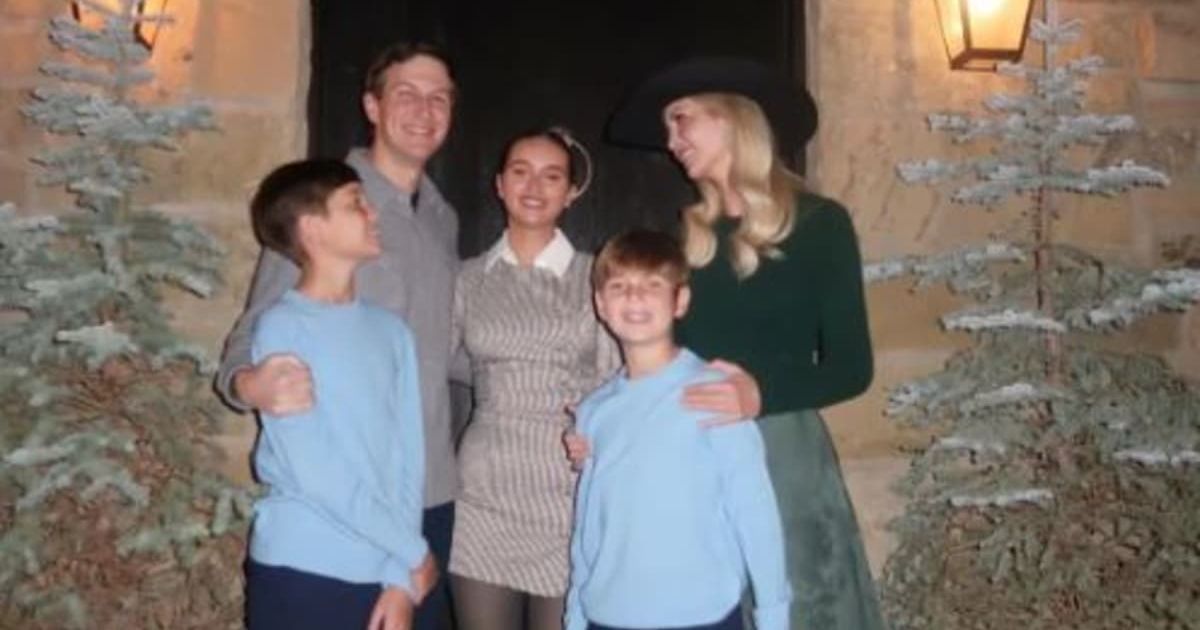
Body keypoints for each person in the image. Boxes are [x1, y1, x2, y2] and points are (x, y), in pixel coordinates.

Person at [602, 57, 883, 630]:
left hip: (782, 454)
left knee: (800, 608)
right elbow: (655, 357)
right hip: (690, 454)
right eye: (668, 127)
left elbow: (852, 368)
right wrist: (603, 426)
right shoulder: (688, 239)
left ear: (730, 120)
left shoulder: (820, 224)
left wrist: (760, 393)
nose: (671, 140)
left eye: (681, 120)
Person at [215, 43, 460, 629]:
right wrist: (250, 383)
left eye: (440, 98)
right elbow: (252, 336)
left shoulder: (442, 218)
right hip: (334, 512)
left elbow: (449, 348)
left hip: (426, 494)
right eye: (407, 94)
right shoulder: (324, 207)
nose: (425, 110)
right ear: (372, 106)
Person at [242, 159, 434, 630]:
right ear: (313, 229)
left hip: (385, 568)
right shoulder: (283, 326)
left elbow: (406, 457)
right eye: (356, 204)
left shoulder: (390, 332)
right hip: (302, 568)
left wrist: (399, 576)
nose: (373, 214)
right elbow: (315, 470)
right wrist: (412, 552)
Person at [566, 230, 791, 630]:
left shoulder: (715, 393)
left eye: (653, 285)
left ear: (680, 300)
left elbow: (755, 512)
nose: (635, 297)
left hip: (700, 616)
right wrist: (576, 613)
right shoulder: (593, 412)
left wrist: (773, 614)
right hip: (608, 616)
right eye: (619, 286)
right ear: (600, 303)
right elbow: (588, 526)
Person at [448, 127, 620, 630]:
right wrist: (497, 382)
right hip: (483, 489)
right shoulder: (468, 277)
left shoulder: (596, 277)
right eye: (520, 172)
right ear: (499, 184)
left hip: (568, 487)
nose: (534, 187)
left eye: (552, 176)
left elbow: (617, 378)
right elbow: (443, 360)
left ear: (571, 192)